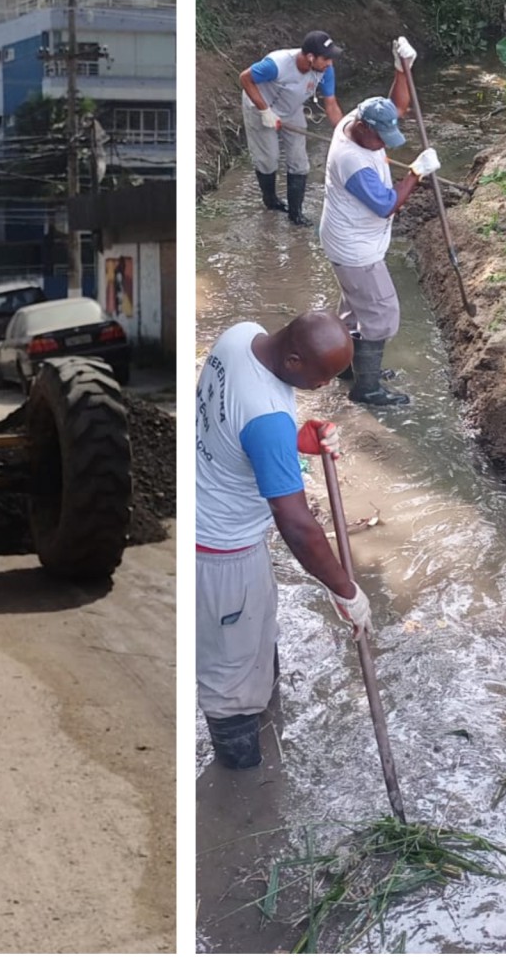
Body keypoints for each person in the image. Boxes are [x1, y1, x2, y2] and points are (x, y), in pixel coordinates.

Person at [196, 310, 372, 769]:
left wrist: (295, 442)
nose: (323, 388)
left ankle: (265, 713)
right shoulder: (267, 419)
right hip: (221, 554)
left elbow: (230, 424)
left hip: (214, 522)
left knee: (252, 644)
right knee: (230, 681)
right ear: (293, 359)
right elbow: (297, 524)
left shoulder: (241, 337)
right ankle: (245, 787)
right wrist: (344, 589)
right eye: (321, 377)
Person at [319, 35, 438, 407]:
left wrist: (401, 68)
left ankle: (348, 366)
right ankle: (366, 388)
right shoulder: (351, 161)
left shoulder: (360, 118)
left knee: (356, 308)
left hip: (347, 240)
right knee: (383, 312)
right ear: (366, 131)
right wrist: (416, 174)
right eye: (381, 139)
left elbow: (397, 107)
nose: (385, 144)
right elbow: (387, 205)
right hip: (355, 249)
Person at [239, 30, 345, 226]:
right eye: (326, 59)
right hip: (260, 105)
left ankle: (295, 214)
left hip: (291, 108)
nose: (330, 63)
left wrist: (344, 135)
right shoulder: (276, 65)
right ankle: (270, 201)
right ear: (311, 57)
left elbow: (331, 103)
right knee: (269, 158)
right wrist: (265, 111)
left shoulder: (325, 70)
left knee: (299, 161)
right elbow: (245, 78)